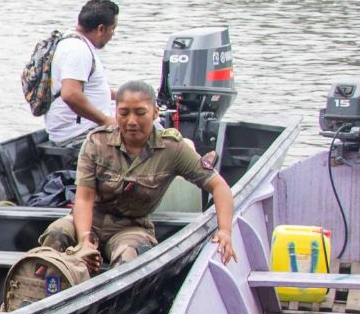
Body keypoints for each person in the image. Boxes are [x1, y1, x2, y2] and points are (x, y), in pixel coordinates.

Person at [40, 81, 237, 270]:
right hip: (90, 220)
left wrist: (225, 231)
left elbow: (219, 187)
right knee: (55, 234)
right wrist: (84, 241)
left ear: (155, 113)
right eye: (124, 113)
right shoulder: (97, 142)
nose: (132, 121)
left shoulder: (172, 149)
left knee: (129, 255)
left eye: (140, 113)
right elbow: (84, 198)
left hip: (131, 227)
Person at [44, 0, 119, 158]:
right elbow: (70, 94)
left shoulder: (74, 41)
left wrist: (114, 95)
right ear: (101, 29)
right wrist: (105, 120)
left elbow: (82, 88)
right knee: (145, 137)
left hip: (79, 127)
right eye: (113, 29)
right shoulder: (77, 49)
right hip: (77, 135)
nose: (112, 35)